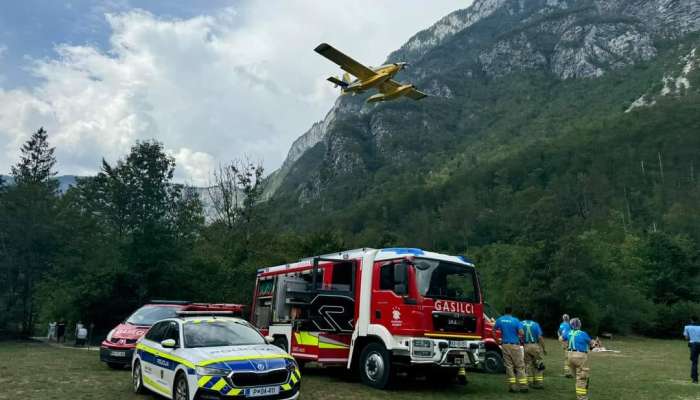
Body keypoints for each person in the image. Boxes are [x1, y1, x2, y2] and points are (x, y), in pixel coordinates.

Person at [494, 306, 528, 393]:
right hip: (515, 346)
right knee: (519, 366)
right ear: (511, 312)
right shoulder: (516, 320)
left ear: (504, 311)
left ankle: (512, 387)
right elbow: (521, 332)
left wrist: (497, 340)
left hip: (505, 345)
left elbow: (493, 330)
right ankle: (523, 386)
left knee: (509, 366)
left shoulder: (500, 320)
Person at [562, 318, 595, 400]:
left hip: (570, 356)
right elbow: (591, 343)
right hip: (580, 356)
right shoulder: (583, 333)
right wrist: (594, 343)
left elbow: (562, 338)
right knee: (582, 377)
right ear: (579, 325)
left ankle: (580, 393)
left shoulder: (568, 332)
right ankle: (582, 397)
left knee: (577, 377)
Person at [522, 313, 546, 389]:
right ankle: (539, 383)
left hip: (525, 346)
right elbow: (540, 337)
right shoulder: (535, 324)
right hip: (534, 345)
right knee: (539, 364)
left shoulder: (521, 323)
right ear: (532, 318)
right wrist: (544, 348)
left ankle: (530, 382)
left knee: (528, 365)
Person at [683, 316, 700, 384]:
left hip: (693, 345)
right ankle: (694, 375)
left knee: (694, 362)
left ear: (691, 320)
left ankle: (695, 379)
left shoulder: (687, 327)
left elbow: (686, 338)